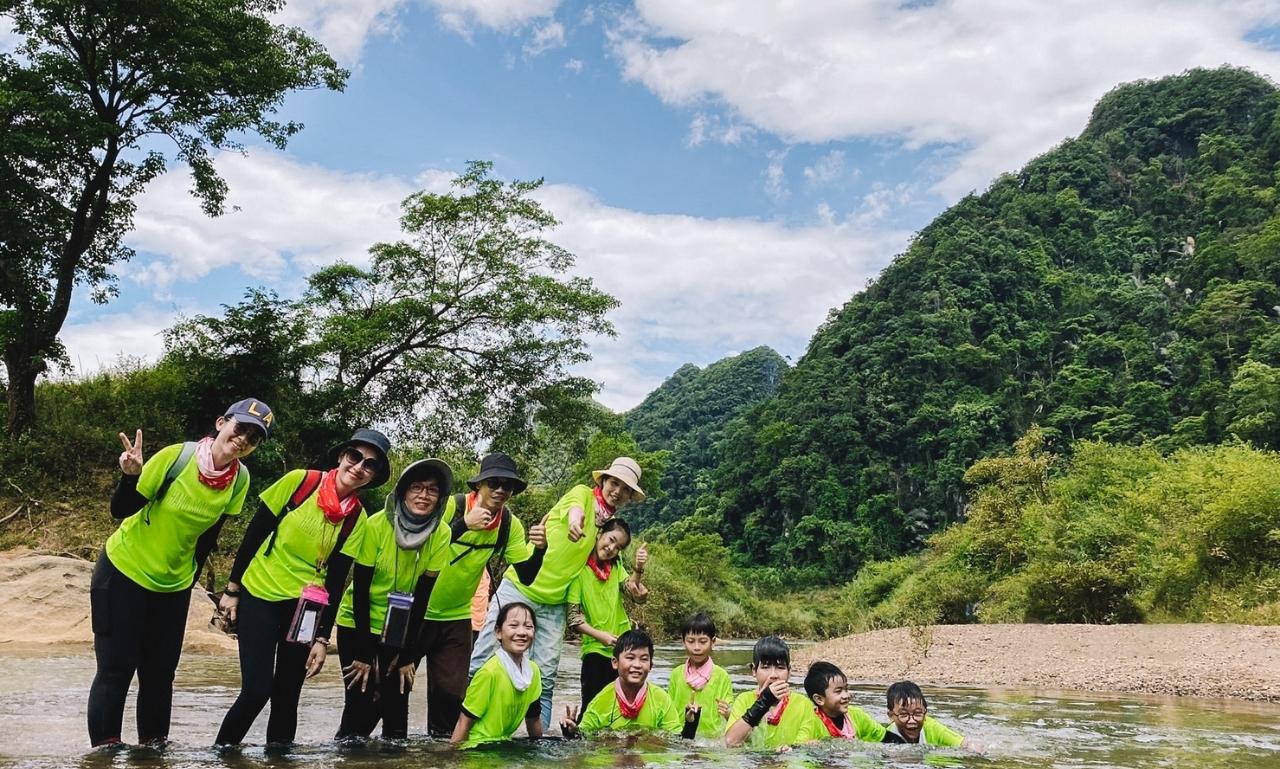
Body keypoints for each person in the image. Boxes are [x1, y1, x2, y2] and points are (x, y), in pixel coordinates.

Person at [87, 399, 271, 748]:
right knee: (116, 671)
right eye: (240, 427)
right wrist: (131, 477)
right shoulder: (177, 457)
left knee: (159, 676)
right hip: (124, 571)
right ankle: (105, 755)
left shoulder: (239, 480)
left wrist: (189, 581)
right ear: (221, 423)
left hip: (172, 586)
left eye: (254, 437)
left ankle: (153, 753)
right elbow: (120, 510)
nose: (243, 438)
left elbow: (208, 537)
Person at [214, 428, 391, 747]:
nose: (359, 467)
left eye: (370, 465)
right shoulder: (300, 482)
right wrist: (232, 589)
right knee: (257, 690)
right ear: (341, 456)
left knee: (287, 694)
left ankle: (278, 760)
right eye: (355, 457)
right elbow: (253, 536)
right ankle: (221, 755)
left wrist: (323, 637)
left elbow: (336, 581)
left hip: (305, 611)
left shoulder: (357, 519)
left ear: (373, 475)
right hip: (261, 594)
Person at [471, 456, 646, 730]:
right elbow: (576, 512)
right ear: (603, 480)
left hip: (554, 603)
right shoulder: (581, 494)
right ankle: (461, 733)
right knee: (483, 659)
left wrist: (637, 577)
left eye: (625, 490)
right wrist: (576, 524)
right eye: (615, 483)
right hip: (521, 587)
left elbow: (620, 579)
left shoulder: (607, 532)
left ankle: (535, 746)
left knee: (545, 677)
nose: (618, 492)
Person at [419, 452, 547, 737]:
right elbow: (418, 543)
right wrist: (464, 524)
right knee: (393, 691)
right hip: (418, 610)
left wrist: (540, 549)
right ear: (479, 485)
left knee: (451, 698)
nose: (500, 490)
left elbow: (526, 575)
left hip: (456, 616)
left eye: (507, 485)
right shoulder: (452, 506)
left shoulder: (508, 525)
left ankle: (439, 757)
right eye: (494, 483)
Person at [333, 459, 453, 740]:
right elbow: (360, 589)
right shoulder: (376, 525)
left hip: (399, 627)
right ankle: (346, 757)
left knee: (397, 704)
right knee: (359, 704)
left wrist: (408, 656)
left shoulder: (441, 533)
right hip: (357, 623)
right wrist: (364, 653)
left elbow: (422, 598)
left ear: (440, 498)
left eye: (432, 490)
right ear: (402, 492)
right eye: (416, 488)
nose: (423, 496)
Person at [567, 518, 649, 710]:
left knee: (625, 706)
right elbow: (573, 619)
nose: (611, 548)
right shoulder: (578, 572)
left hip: (624, 651)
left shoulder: (615, 568)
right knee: (593, 707)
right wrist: (600, 636)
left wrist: (638, 568)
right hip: (594, 652)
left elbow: (632, 591)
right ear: (599, 534)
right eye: (610, 540)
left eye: (618, 547)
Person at [559, 629, 693, 738]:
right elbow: (583, 737)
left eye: (644, 659)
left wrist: (691, 724)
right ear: (615, 663)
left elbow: (677, 741)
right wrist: (570, 731)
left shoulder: (661, 699)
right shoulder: (602, 700)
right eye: (630, 658)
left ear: (651, 665)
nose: (637, 665)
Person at [449, 602, 543, 748]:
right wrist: (452, 758)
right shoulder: (489, 673)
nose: (522, 632)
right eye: (513, 626)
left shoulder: (533, 671)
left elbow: (533, 720)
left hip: (503, 745)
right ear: (498, 632)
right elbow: (464, 721)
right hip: (477, 747)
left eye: (528, 627)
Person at [724, 636, 812, 749]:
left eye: (780, 667)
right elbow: (730, 743)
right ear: (754, 671)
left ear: (789, 672)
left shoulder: (803, 704)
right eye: (765, 667)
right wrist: (763, 702)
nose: (773, 675)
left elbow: (804, 748)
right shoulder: (744, 700)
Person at [666, 612, 734, 740]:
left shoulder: (721, 676)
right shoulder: (676, 674)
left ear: (713, 642)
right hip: (681, 738)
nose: (696, 647)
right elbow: (669, 711)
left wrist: (727, 712)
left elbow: (731, 715)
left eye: (703, 642)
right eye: (691, 641)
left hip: (711, 742)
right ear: (683, 642)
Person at [797, 661, 887, 742]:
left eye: (846, 689)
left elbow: (884, 736)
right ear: (819, 699)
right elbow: (799, 746)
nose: (846, 696)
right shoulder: (811, 722)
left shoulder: (857, 715)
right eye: (838, 691)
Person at [882, 680, 966, 747]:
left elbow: (964, 744)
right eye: (904, 715)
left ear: (925, 713)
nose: (912, 721)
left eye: (917, 713)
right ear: (891, 716)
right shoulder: (887, 739)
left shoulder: (932, 728)